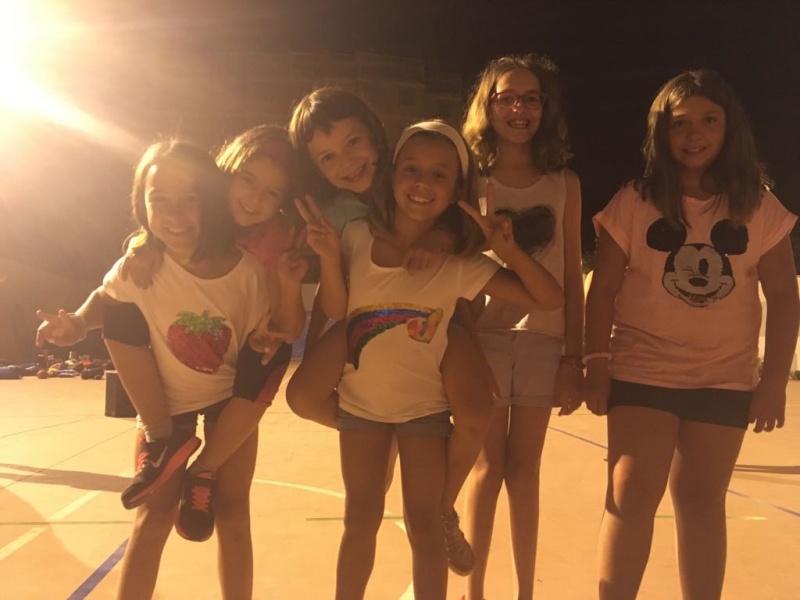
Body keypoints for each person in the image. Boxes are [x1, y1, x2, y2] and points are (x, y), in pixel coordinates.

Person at [290, 120, 563, 599]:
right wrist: (329, 257)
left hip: (424, 415)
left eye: (440, 174)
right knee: (360, 520)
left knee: (425, 525)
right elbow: (336, 308)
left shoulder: (459, 263)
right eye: (411, 169)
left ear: (457, 189)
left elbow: (548, 298)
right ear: (392, 174)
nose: (422, 182)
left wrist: (510, 251)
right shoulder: (355, 236)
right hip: (361, 410)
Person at [582, 69, 799, 600]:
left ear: (730, 127)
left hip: (723, 379)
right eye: (679, 123)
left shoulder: (758, 205)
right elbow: (602, 288)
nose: (693, 134)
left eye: (708, 120)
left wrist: (773, 381)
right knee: (631, 494)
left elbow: (784, 296)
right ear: (661, 132)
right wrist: (596, 363)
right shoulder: (634, 201)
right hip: (642, 371)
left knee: (702, 502)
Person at [38, 140, 287, 598]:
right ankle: (163, 440)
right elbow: (106, 300)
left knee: (233, 514)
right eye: (159, 200)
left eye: (189, 199)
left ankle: (203, 473)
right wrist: (76, 323)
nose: (174, 214)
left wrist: (263, 340)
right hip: (165, 406)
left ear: (210, 200)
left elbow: (261, 338)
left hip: (228, 401)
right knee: (153, 517)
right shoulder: (139, 265)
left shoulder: (247, 272)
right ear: (142, 205)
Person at [287, 88, 497, 573]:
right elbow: (334, 294)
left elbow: (463, 225)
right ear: (316, 169)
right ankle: (379, 433)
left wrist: (442, 235)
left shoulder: (414, 172)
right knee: (307, 398)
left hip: (439, 318)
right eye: (327, 157)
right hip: (372, 326)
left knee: (475, 411)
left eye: (353, 142)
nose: (346, 161)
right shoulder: (338, 216)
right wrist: (321, 350)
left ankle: (444, 508)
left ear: (376, 136)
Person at [459, 54, 584, 600]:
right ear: (487, 107)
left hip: (544, 338)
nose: (519, 108)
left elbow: (573, 272)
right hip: (483, 338)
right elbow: (459, 271)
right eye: (506, 98)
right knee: (486, 469)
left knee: (525, 472)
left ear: (544, 108)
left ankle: (525, 592)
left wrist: (574, 357)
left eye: (531, 98)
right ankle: (475, 591)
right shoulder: (473, 182)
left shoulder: (564, 183)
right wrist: (462, 349)